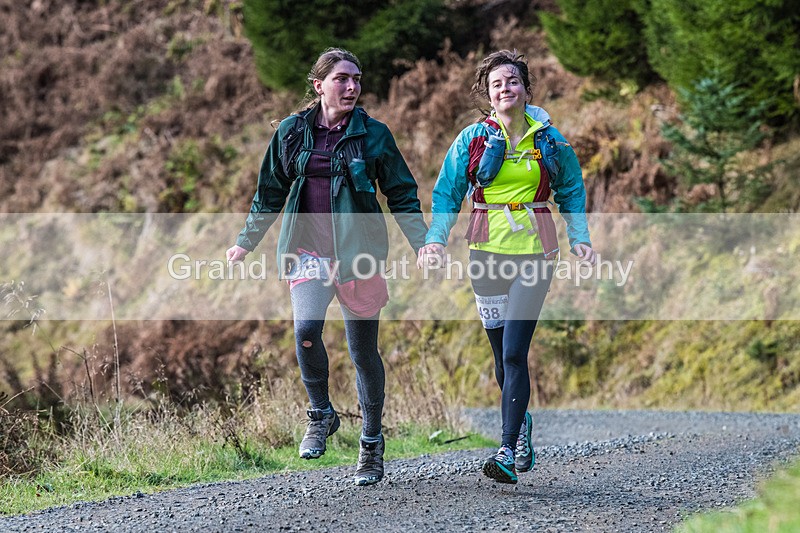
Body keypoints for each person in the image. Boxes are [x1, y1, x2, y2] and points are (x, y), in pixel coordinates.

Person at [227, 48, 427, 486]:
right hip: (308, 253)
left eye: (357, 78)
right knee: (305, 331)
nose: (352, 86)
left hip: (359, 258)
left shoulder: (374, 135)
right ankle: (321, 414)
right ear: (319, 85)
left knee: (362, 354)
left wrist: (422, 243)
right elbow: (269, 193)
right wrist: (245, 243)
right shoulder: (290, 133)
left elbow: (402, 194)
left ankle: (371, 445)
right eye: (342, 78)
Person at [418, 50, 596, 484]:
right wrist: (435, 239)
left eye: (512, 81)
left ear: (525, 88)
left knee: (515, 351)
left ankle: (505, 447)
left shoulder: (550, 140)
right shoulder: (472, 139)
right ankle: (522, 427)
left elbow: (571, 189)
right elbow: (447, 193)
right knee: (501, 358)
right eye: (497, 84)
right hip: (486, 252)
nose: (505, 89)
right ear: (488, 94)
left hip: (537, 253)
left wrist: (581, 239)